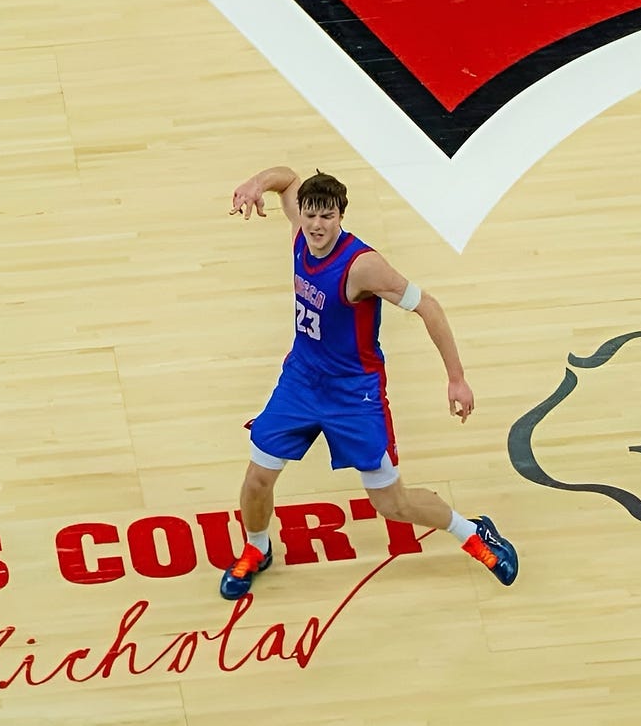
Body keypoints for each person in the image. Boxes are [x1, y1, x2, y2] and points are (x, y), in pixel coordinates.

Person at [220, 165, 517, 600]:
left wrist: (457, 378)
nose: (318, 225)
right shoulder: (300, 235)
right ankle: (257, 549)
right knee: (258, 477)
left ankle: (473, 532)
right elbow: (287, 177)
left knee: (391, 504)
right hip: (301, 380)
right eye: (311, 215)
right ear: (301, 213)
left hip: (353, 395)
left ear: (341, 217)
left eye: (328, 217)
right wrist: (254, 184)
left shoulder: (363, 267)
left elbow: (428, 306)